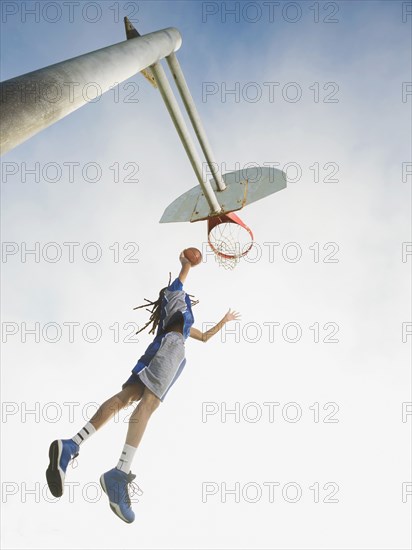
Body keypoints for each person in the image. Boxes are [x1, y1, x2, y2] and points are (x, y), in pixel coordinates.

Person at [46, 251, 240, 523]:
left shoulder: (181, 325)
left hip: (158, 350)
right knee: (149, 405)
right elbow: (182, 276)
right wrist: (187, 263)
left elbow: (205, 337)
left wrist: (224, 320)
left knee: (126, 398)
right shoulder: (175, 296)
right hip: (170, 350)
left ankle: (71, 443)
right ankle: (119, 473)